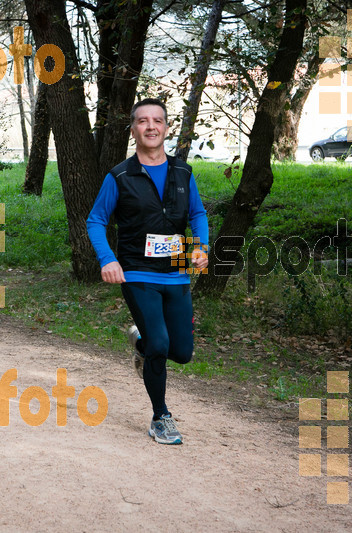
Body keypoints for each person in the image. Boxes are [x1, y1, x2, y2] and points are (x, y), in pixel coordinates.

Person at [87, 98, 209, 445]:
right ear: (133, 130)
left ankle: (140, 343)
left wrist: (202, 247)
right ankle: (161, 417)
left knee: (181, 352)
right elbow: (96, 220)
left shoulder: (183, 172)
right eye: (143, 121)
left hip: (176, 271)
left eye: (157, 120)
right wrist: (107, 259)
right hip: (137, 273)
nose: (151, 126)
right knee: (160, 343)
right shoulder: (120, 176)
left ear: (167, 128)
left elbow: (198, 214)